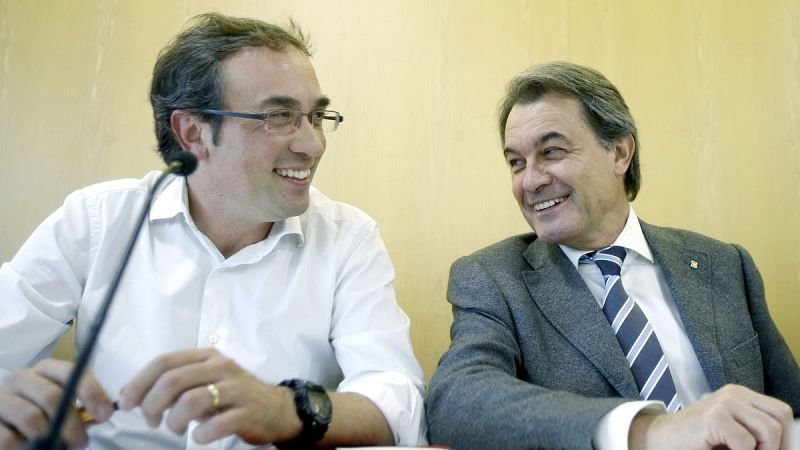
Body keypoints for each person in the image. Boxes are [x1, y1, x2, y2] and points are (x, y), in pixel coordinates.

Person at [0, 13, 427, 449]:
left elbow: (396, 405)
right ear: (192, 132)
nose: (313, 144)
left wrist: (284, 409)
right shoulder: (96, 221)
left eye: (315, 117)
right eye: (279, 116)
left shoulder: (348, 238)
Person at [426, 61, 799, 450]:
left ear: (620, 153)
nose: (531, 181)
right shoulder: (493, 278)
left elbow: (791, 410)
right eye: (516, 163)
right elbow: (455, 402)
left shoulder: (723, 264)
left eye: (550, 152)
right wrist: (648, 431)